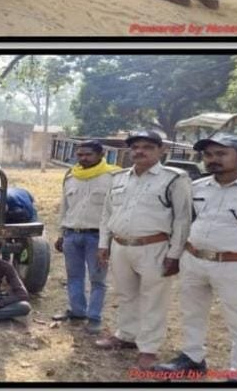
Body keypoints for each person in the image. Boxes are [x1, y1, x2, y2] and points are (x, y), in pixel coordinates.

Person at [153, 133, 237, 378]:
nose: (213, 160)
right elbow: (189, 223)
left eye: (222, 153)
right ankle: (192, 358)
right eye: (209, 155)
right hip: (194, 261)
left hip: (234, 266)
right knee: (191, 313)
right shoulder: (198, 187)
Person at [95, 130, 192, 369]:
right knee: (126, 294)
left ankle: (148, 348)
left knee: (153, 299)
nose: (140, 151)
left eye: (148, 146)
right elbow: (107, 214)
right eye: (135, 146)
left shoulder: (174, 178)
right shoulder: (118, 178)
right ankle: (126, 335)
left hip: (154, 246)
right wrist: (103, 244)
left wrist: (174, 254)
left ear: (161, 150)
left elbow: (182, 219)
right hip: (121, 245)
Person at [54, 140, 121, 334]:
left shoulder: (113, 176)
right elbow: (65, 208)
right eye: (80, 155)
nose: (83, 158)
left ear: (101, 155)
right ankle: (77, 311)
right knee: (74, 276)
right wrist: (61, 234)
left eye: (88, 155)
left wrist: (108, 242)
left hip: (97, 237)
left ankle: (94, 317)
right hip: (72, 234)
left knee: (97, 279)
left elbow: (115, 210)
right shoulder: (70, 176)